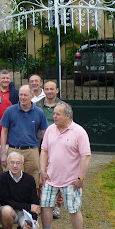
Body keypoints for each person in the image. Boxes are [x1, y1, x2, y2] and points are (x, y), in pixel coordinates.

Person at [34, 103, 91, 229]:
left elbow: (86, 156)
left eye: (58, 114)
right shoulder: (50, 130)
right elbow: (44, 151)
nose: (54, 116)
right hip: (51, 177)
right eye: (54, 114)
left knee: (74, 209)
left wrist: (81, 177)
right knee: (46, 206)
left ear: (68, 116)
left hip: (71, 180)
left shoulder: (79, 132)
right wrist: (43, 171)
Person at [0, 85, 48, 185]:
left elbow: (45, 134)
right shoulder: (10, 111)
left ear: (32, 95)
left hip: (32, 151)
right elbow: (4, 132)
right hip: (14, 149)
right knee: (12, 179)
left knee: (33, 179)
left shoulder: (39, 112)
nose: (22, 97)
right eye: (20, 95)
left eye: (25, 95)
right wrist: (3, 153)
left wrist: (46, 153)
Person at [34, 80, 66, 219]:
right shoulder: (36, 105)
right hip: (40, 144)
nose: (49, 92)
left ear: (57, 90)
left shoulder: (64, 107)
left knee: (58, 174)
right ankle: (42, 201)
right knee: (42, 172)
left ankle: (57, 204)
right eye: (46, 89)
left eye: (52, 89)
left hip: (59, 145)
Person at [0, 152, 40, 229]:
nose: (15, 166)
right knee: (5, 210)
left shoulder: (29, 179)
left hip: (25, 213)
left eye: (18, 163)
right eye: (12, 162)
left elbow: (35, 203)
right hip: (11, 211)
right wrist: (28, 207)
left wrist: (33, 219)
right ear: (8, 164)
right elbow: (5, 201)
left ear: (22, 164)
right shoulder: (3, 178)